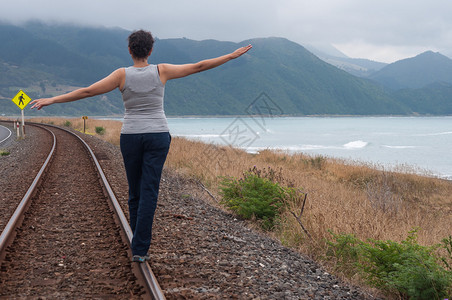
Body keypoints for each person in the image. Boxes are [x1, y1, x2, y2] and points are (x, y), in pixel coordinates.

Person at [31, 29, 252, 263]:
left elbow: (87, 91)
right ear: (151, 50)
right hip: (158, 135)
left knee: (135, 191)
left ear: (129, 50)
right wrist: (229, 56)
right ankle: (140, 246)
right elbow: (198, 66)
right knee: (149, 191)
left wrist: (52, 99)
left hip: (131, 136)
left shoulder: (121, 75)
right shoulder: (162, 70)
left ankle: (138, 243)